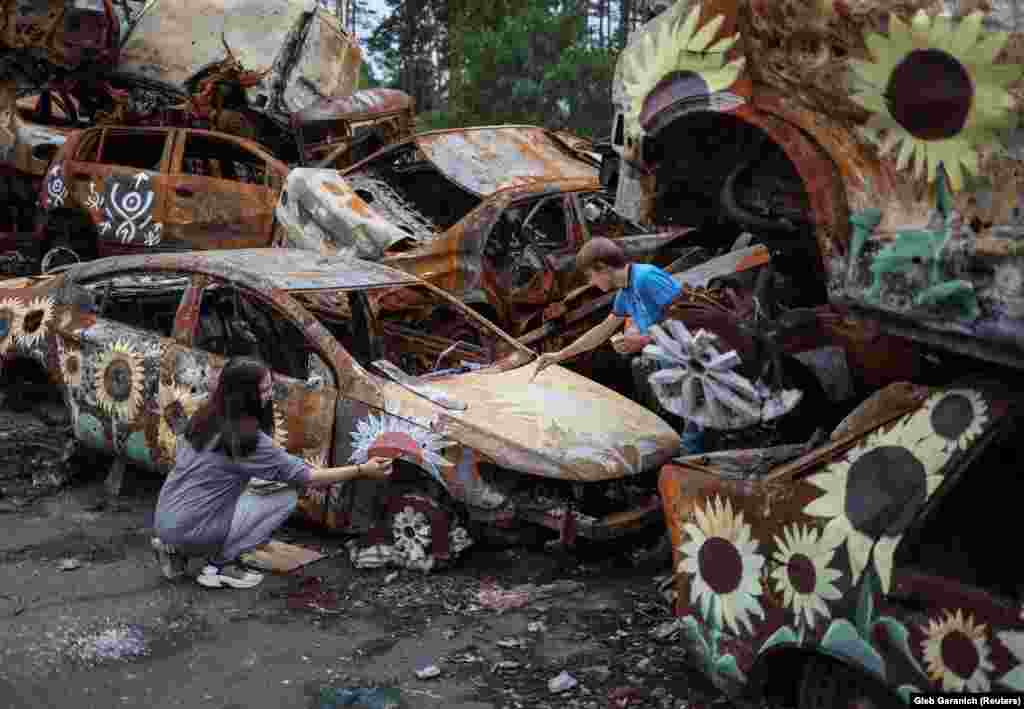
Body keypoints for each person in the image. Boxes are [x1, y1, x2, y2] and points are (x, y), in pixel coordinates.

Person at [152, 357, 393, 589]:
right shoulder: (246, 439)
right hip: (192, 527)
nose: (270, 395)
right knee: (286, 495)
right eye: (265, 390)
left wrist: (168, 399)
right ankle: (219, 566)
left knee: (255, 484)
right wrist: (363, 469)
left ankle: (175, 550)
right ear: (244, 394)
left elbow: (181, 434)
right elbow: (307, 477)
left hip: (165, 518)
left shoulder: (207, 416)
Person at [532, 237, 704, 452]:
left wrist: (643, 340)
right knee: (681, 417)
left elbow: (688, 317)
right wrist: (559, 355)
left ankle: (692, 467)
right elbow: (601, 331)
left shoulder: (646, 277)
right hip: (670, 362)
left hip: (692, 361)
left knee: (694, 425)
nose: (591, 283)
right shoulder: (625, 294)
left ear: (602, 267)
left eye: (590, 276)